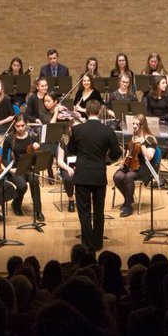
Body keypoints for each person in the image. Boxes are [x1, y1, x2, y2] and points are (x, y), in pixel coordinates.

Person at [67, 99, 122, 252]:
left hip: (82, 175)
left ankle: (87, 244)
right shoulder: (108, 131)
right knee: (98, 211)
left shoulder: (78, 130)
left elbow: (71, 149)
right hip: (99, 174)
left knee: (84, 211)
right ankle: (97, 243)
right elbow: (117, 153)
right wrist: (107, 159)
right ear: (99, 112)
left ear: (87, 111)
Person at [113, 114, 157, 218]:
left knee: (128, 176)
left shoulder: (150, 139)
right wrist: (123, 162)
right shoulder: (133, 136)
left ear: (143, 125)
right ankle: (129, 198)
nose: (134, 126)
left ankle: (128, 206)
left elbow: (150, 157)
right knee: (117, 176)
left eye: (137, 124)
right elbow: (129, 152)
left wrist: (142, 144)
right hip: (131, 164)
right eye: (133, 123)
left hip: (144, 167)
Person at [2, 115, 43, 221]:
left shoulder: (33, 136)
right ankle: (16, 203)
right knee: (22, 186)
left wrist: (37, 148)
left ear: (26, 124)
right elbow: (3, 158)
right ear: (14, 126)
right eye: (17, 126)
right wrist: (9, 169)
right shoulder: (10, 138)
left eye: (22, 125)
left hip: (29, 168)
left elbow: (37, 155)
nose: (20, 128)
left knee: (34, 181)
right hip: (16, 168)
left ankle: (38, 211)